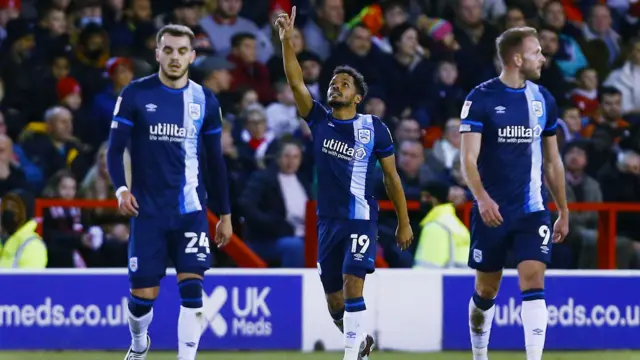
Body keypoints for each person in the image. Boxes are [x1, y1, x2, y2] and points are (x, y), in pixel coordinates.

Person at [276, 7, 413, 360]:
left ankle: (351, 356)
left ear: (357, 97)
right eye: (333, 83)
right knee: (334, 301)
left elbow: (392, 177)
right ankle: (360, 342)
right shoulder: (319, 119)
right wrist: (287, 41)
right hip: (326, 223)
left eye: (344, 84)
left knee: (354, 285)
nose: (335, 86)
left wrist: (403, 221)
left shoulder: (374, 128)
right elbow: (295, 82)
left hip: (359, 218)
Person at [106, 24, 232, 360]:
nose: (175, 57)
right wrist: (121, 189)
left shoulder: (204, 99)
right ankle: (138, 343)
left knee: (192, 289)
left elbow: (216, 163)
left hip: (191, 211)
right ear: (157, 53)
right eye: (168, 50)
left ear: (192, 55)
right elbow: (115, 149)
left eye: (181, 51)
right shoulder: (135, 94)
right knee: (141, 297)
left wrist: (225, 215)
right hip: (147, 213)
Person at [459, 26, 569, 360]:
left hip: (532, 209)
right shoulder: (480, 98)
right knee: (486, 289)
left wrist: (563, 210)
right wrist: (481, 197)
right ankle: (480, 355)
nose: (542, 58)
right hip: (491, 211)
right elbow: (467, 158)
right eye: (537, 52)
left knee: (533, 281)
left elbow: (552, 161)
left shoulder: (543, 100)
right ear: (517, 58)